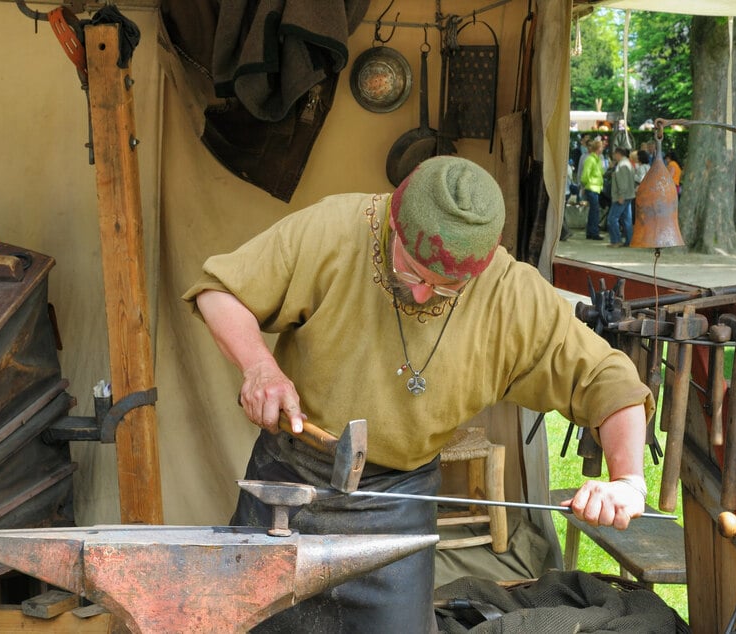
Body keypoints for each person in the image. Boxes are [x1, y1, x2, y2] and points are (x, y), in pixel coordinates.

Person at [183, 156, 652, 633]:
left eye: (445, 286)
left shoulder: (511, 296)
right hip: (288, 483)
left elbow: (610, 381)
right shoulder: (336, 228)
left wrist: (628, 480)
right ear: (394, 222)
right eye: (411, 272)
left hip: (397, 504)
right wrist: (260, 367)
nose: (424, 294)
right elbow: (221, 291)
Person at [608, 146, 635, 248]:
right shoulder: (628, 163)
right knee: (627, 219)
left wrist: (621, 196)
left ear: (618, 154)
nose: (614, 156)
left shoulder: (622, 165)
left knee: (612, 218)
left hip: (622, 196)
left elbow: (622, 183)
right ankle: (629, 240)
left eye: (615, 154)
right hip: (629, 195)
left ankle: (616, 240)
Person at [580, 137, 606, 240]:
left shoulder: (596, 159)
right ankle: (593, 232)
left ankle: (590, 232)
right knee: (595, 211)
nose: (603, 149)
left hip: (595, 188)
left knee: (593, 211)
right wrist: (588, 184)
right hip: (592, 188)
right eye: (601, 147)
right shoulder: (591, 159)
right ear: (598, 148)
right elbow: (585, 175)